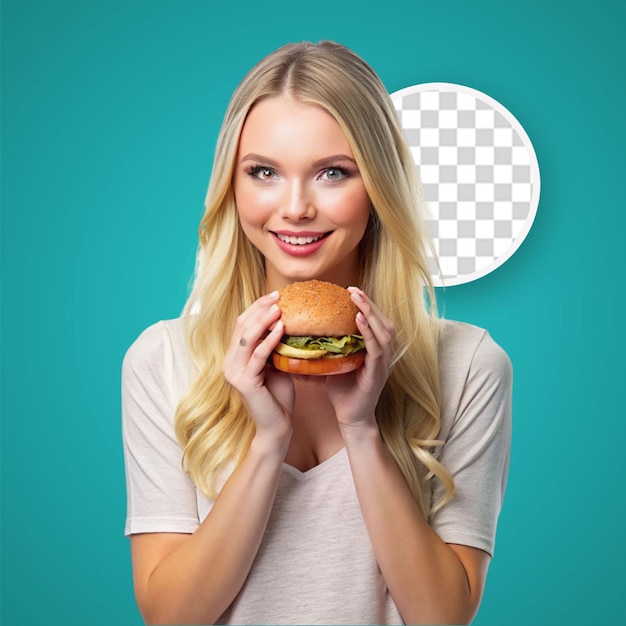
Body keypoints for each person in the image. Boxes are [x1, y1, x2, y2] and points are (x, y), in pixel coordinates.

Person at [122, 40, 512, 625]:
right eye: (264, 172)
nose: (296, 207)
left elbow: (442, 617)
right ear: (233, 185)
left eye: (333, 172)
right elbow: (171, 617)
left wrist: (362, 430)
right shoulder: (165, 359)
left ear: (378, 186)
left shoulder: (467, 363)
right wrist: (265, 444)